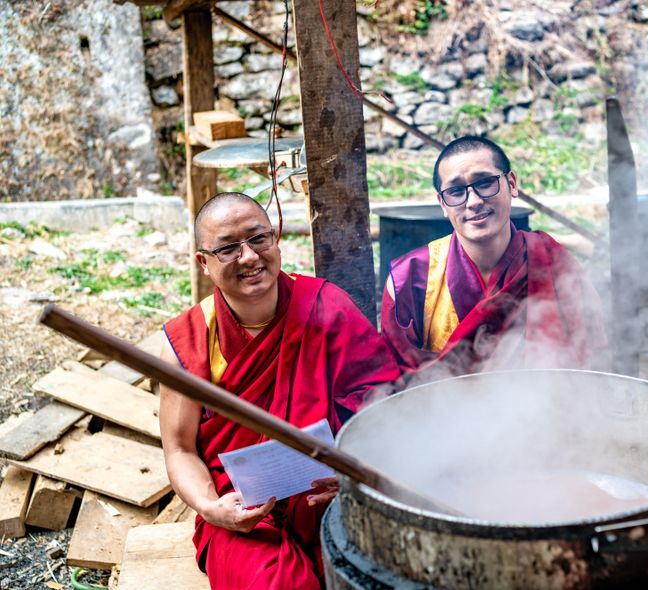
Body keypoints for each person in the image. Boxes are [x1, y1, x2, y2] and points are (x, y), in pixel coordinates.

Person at [160, 192, 401, 590]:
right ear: (203, 262)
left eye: (259, 238)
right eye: (228, 249)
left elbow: (383, 410)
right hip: (243, 513)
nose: (249, 257)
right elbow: (180, 449)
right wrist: (211, 508)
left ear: (276, 239)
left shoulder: (327, 307)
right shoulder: (191, 341)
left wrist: (354, 477)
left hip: (334, 495)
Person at [381, 136, 606, 381]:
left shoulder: (553, 263)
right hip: (446, 405)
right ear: (442, 204)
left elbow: (590, 359)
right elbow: (401, 384)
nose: (474, 202)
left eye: (485, 183)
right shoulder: (410, 281)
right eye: (455, 191)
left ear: (512, 184)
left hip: (550, 399)